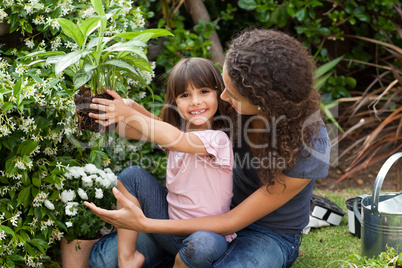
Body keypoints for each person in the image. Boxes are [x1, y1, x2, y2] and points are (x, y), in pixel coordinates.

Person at [85, 28, 331, 267]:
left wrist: (146, 224)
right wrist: (126, 111)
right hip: (203, 218)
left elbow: (231, 221)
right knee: (103, 260)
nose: (223, 97)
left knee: (205, 249)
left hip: (266, 233)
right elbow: (175, 136)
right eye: (224, 87)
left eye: (232, 95)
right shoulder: (232, 106)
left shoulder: (309, 146)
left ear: (263, 102)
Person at [88, 57, 236, 268]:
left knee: (202, 245)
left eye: (204, 92)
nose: (195, 101)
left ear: (218, 94)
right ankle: (127, 259)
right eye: (185, 95)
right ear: (175, 102)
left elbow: (175, 138)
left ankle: (179, 262)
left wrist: (129, 112)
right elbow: (132, 128)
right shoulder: (175, 134)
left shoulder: (218, 140)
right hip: (168, 228)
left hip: (205, 235)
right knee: (132, 176)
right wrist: (120, 109)